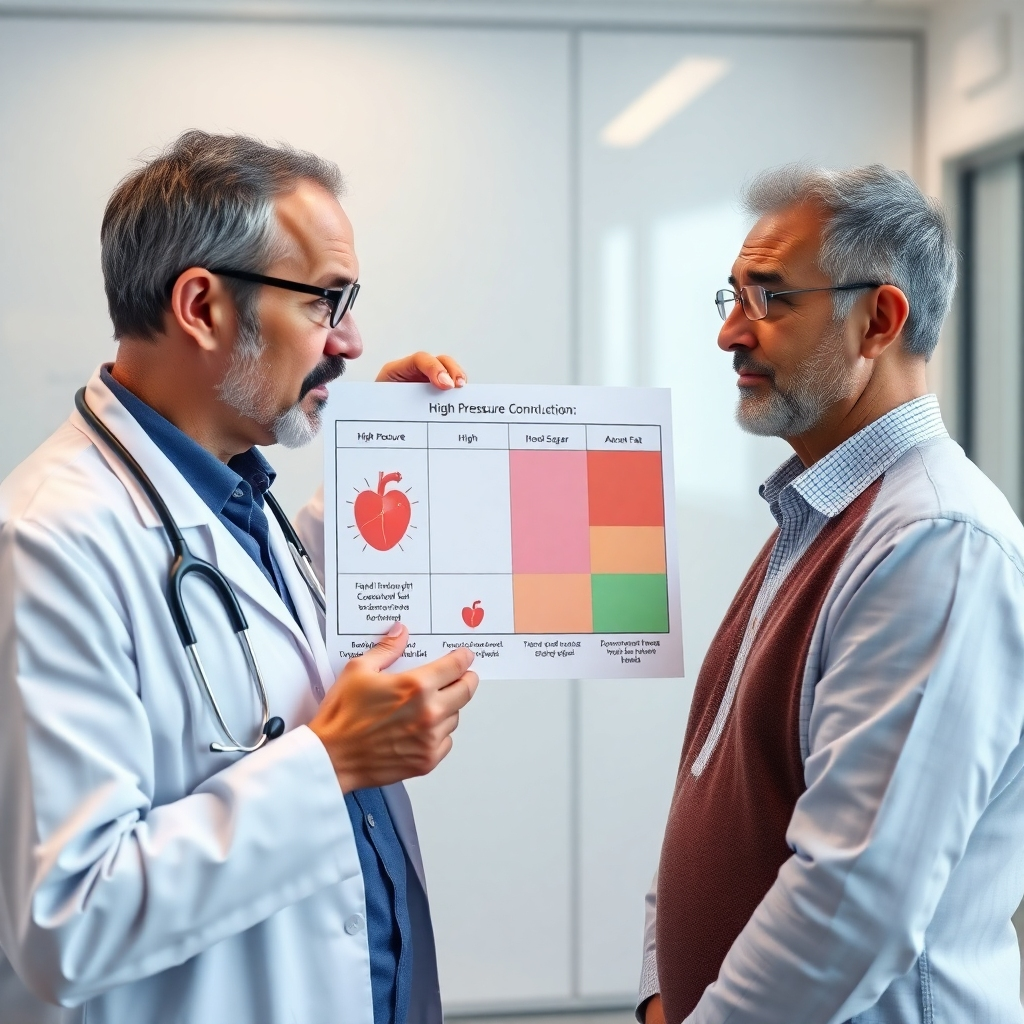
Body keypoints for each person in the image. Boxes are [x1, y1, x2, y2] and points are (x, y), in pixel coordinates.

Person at [0, 131, 478, 1024]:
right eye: (327, 300)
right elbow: (68, 922)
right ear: (203, 306)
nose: (351, 338)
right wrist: (331, 761)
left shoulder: (233, 496)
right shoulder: (50, 542)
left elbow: (257, 646)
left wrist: (398, 460)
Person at [637, 165, 1024, 1024]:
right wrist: (662, 990)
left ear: (878, 320)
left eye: (770, 299)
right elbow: (713, 788)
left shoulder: (937, 543)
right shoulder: (816, 512)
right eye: (731, 297)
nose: (732, 333)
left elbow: (855, 901)